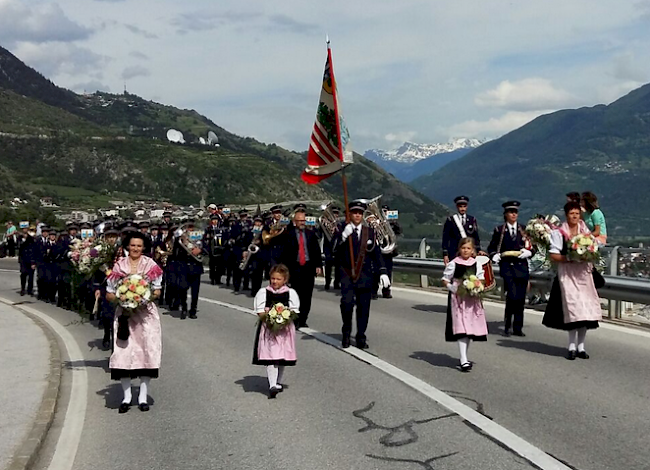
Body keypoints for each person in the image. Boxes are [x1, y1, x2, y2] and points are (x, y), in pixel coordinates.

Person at [106, 232, 163, 413]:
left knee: (146, 352)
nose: (136, 249)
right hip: (125, 315)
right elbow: (109, 292)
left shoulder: (151, 265)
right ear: (127, 247)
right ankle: (127, 396)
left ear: (144, 247)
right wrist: (121, 299)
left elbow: (157, 291)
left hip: (145, 315)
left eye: (139, 246)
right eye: (132, 245)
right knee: (124, 352)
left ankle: (143, 396)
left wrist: (142, 299)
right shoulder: (118, 266)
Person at [542, 201, 601, 360]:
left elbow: (593, 246)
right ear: (566, 215)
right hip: (568, 274)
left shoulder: (584, 230)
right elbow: (553, 255)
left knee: (586, 310)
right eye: (571, 214)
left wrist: (588, 253)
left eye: (577, 213)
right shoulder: (559, 232)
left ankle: (581, 346)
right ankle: (571, 346)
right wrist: (569, 257)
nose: (574, 216)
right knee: (573, 309)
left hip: (583, 273)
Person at [334, 200, 390, 349]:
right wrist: (342, 238)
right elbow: (334, 249)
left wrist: (383, 271)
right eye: (354, 212)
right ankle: (346, 332)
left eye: (360, 213)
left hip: (365, 275)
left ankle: (360, 336)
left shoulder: (369, 232)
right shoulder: (341, 230)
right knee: (346, 304)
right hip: (347, 274)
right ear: (350, 214)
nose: (357, 215)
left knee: (363, 308)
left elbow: (376, 253)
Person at [252, 264, 300, 399]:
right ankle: (272, 384)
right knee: (271, 356)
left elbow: (294, 310)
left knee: (281, 356)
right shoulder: (264, 292)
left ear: (285, 280)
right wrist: (269, 320)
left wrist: (284, 319)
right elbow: (259, 310)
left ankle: (278, 381)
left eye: (278, 279)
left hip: (284, 330)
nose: (274, 282)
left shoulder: (291, 293)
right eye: (273, 278)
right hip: (269, 329)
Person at [442, 238, 488, 372]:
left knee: (469, 329)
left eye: (468, 248)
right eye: (463, 248)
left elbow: (481, 279)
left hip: (472, 300)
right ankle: (463, 359)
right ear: (459, 249)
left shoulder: (476, 264)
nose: (466, 251)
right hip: (458, 299)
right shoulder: (453, 263)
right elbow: (445, 279)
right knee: (461, 328)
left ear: (472, 250)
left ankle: (464, 357)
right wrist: (452, 287)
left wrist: (477, 287)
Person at [488, 201, 533, 336]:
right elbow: (492, 247)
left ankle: (518, 327)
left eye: (515, 212)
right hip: (507, 266)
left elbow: (533, 246)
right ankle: (508, 325)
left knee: (520, 298)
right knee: (512, 296)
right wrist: (494, 255)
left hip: (521, 267)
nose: (514, 214)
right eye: (511, 212)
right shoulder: (499, 230)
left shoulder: (524, 230)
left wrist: (529, 252)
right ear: (506, 214)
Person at [280, 207, 322, 329]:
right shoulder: (289, 234)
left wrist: (318, 265)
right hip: (295, 267)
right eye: (300, 221)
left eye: (303, 220)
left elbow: (316, 250)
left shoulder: (310, 234)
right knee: (295, 295)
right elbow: (285, 252)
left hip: (308, 267)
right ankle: (295, 318)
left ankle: (303, 319)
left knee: (307, 295)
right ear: (295, 221)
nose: (302, 223)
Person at [442, 196, 483, 265]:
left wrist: (478, 250)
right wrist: (445, 254)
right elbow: (446, 238)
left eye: (464, 206)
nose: (462, 209)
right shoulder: (451, 220)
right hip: (454, 252)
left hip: (468, 252)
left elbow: (475, 236)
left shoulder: (472, 219)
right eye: (460, 206)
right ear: (457, 207)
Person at [321, 205, 341, 291]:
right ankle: (327, 282)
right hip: (328, 247)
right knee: (328, 265)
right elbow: (319, 234)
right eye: (334, 213)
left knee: (338, 266)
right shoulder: (325, 223)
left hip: (338, 247)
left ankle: (337, 282)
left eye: (336, 213)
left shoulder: (340, 224)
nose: (335, 215)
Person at [18, 226, 38, 296]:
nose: (25, 230)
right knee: (23, 274)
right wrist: (23, 239)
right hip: (23, 259)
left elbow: (34, 248)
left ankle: (30, 290)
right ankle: (23, 289)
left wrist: (34, 261)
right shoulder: (20, 237)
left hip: (30, 259)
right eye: (23, 229)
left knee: (31, 275)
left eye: (26, 229)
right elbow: (19, 246)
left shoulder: (31, 238)